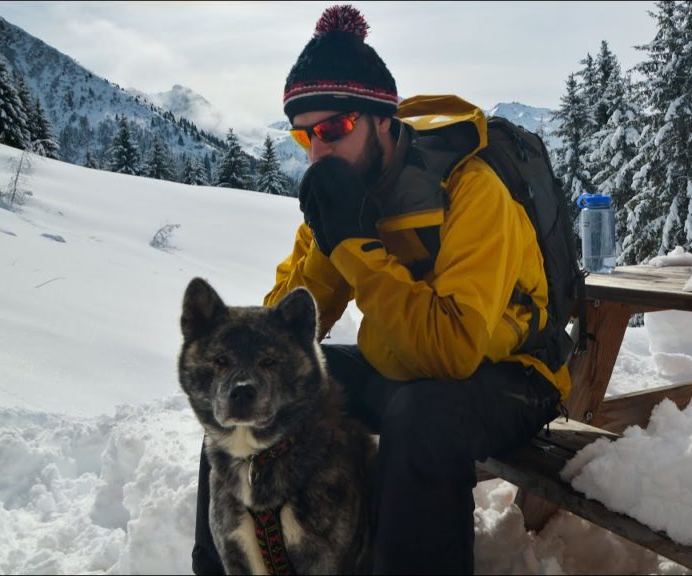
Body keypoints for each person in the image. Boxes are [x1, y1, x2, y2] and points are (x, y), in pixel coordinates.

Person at [191, 4, 571, 574]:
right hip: (401, 368)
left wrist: (354, 247)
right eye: (304, 136)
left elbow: (452, 351)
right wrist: (327, 239)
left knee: (424, 415)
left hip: (516, 376)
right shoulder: (344, 195)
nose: (318, 151)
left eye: (334, 129)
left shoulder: (473, 191)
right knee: (250, 394)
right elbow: (281, 338)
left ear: (382, 120)